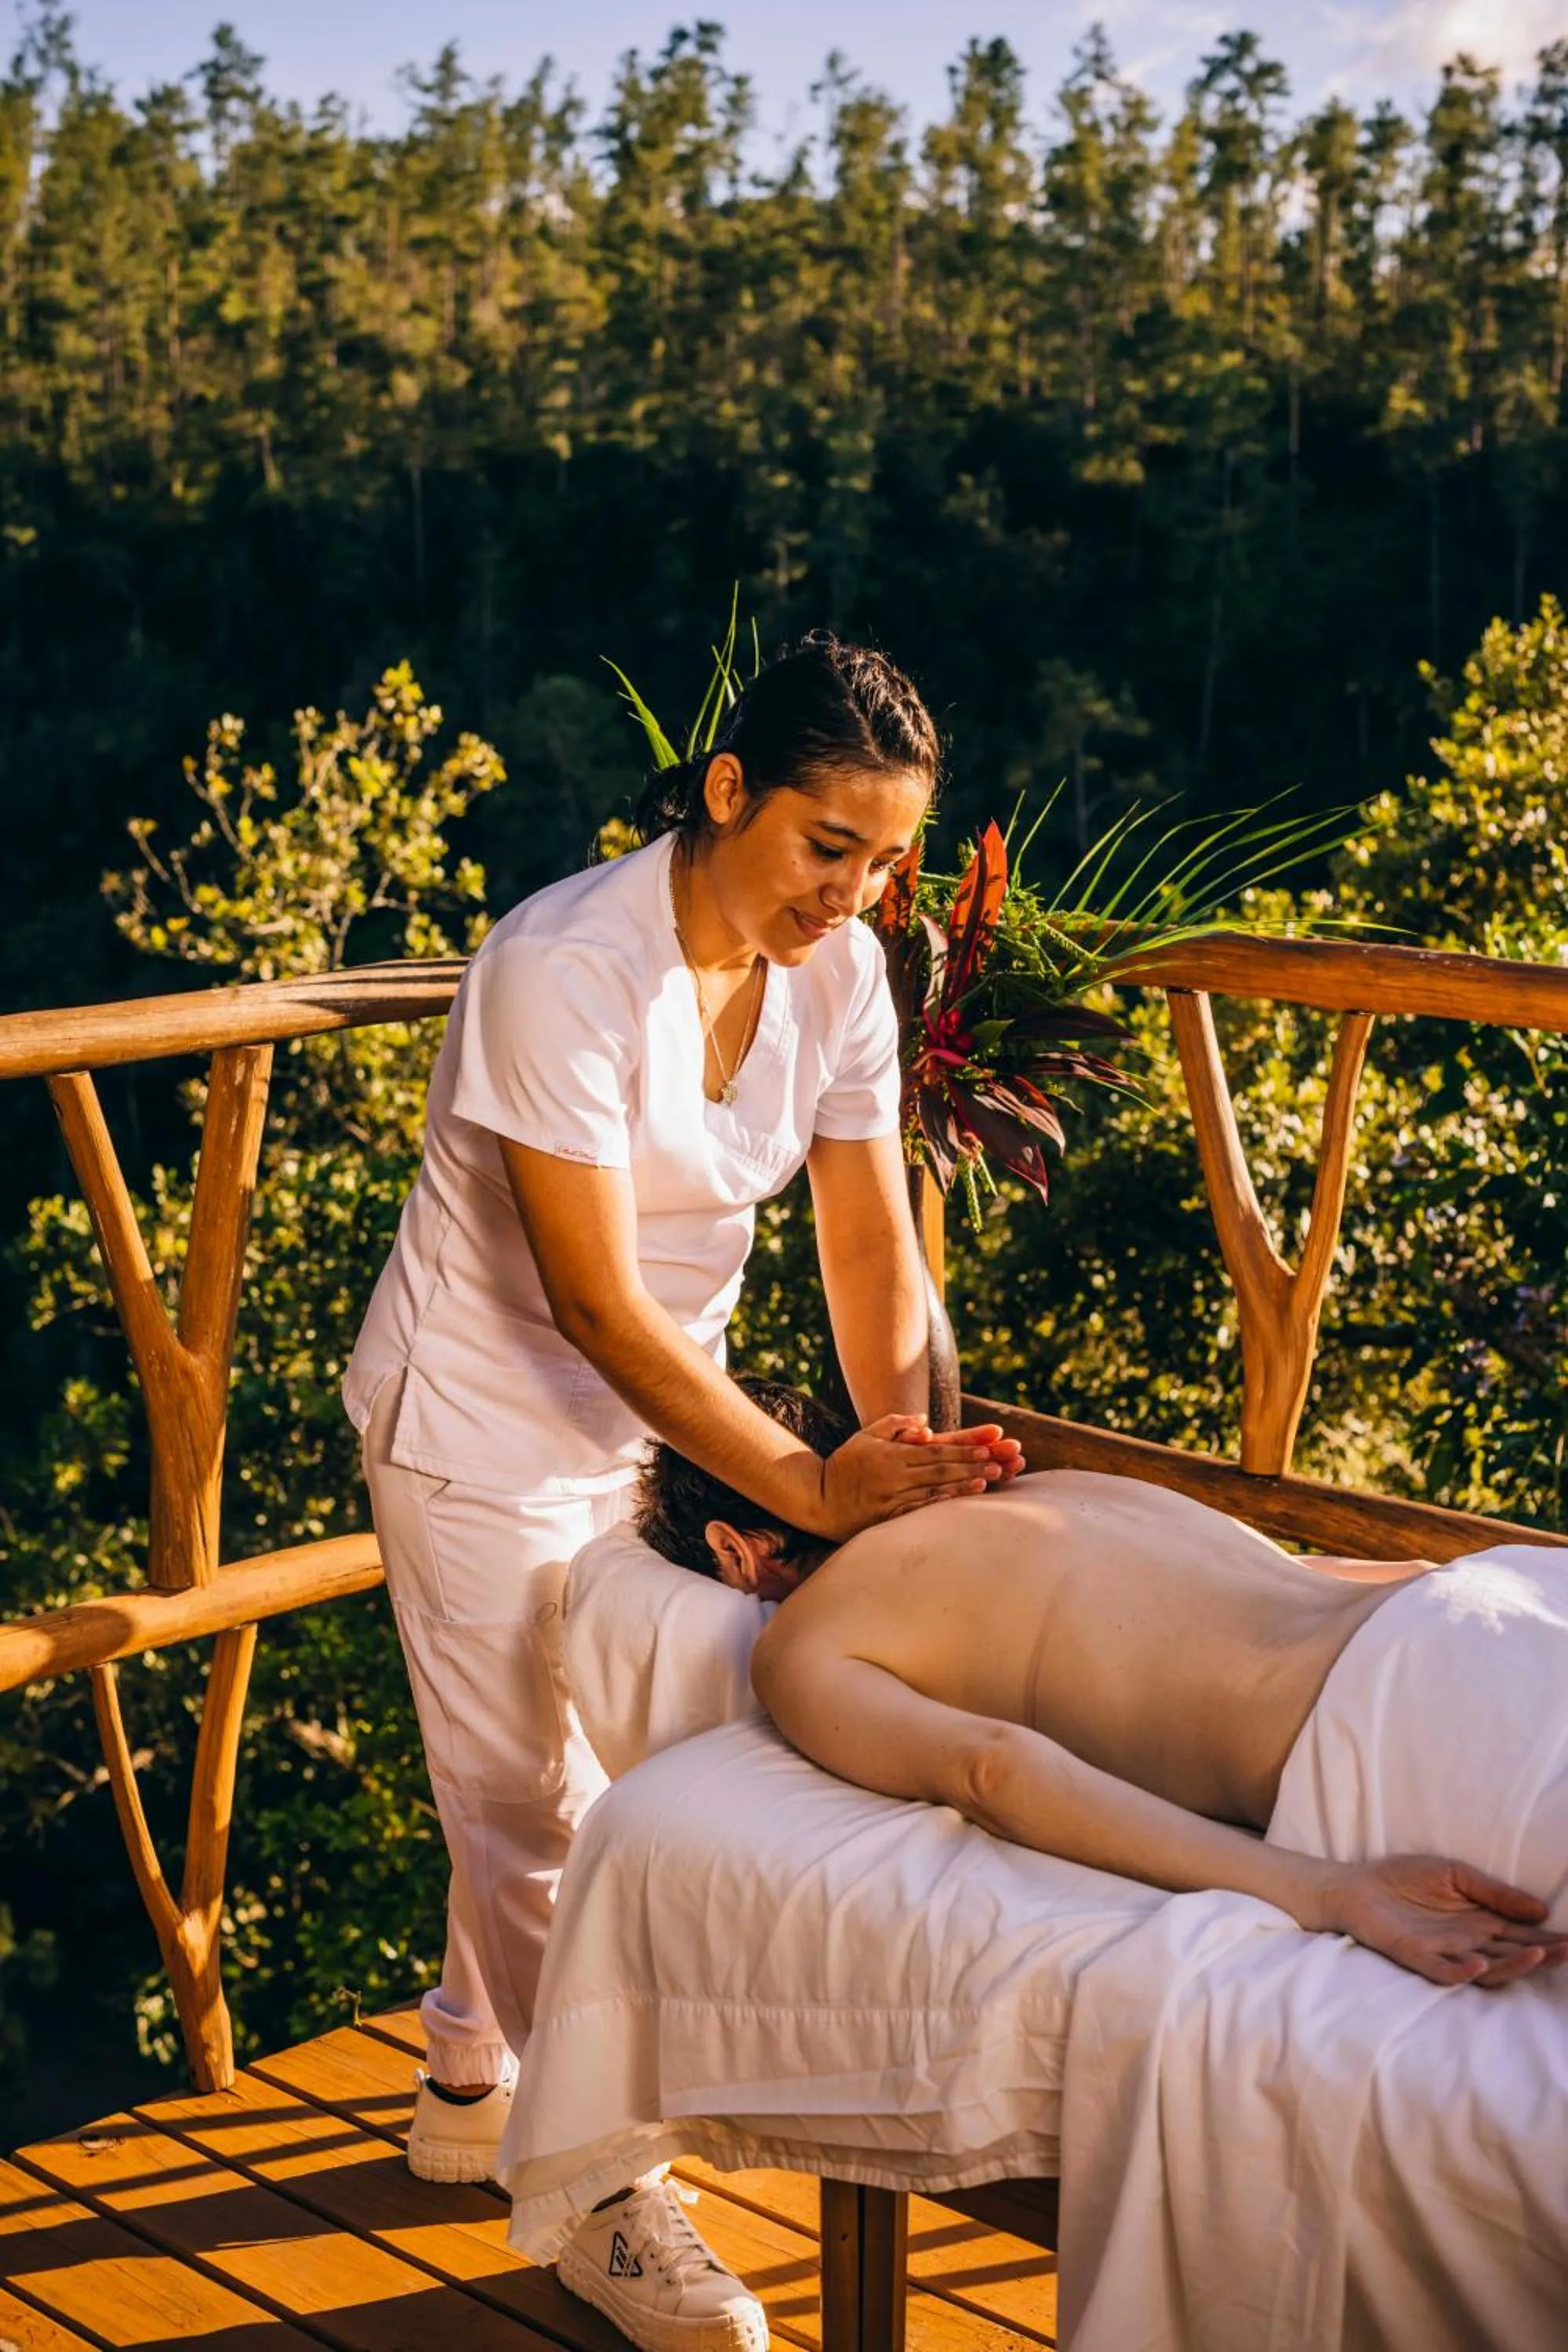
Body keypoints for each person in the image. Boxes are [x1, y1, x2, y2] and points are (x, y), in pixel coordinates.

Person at [343, 635, 1021, 2348]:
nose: (852, 893)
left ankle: (462, 2072)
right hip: (482, 1419)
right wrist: (809, 1481)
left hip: (661, 1424)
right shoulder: (564, 962)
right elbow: (588, 1301)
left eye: (882, 860)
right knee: (531, 1802)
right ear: (725, 793)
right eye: (822, 846)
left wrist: (911, 1459)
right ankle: (601, 2190)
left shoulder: (848, 973)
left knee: (577, 1751)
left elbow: (866, 1238)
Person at [635, 1382, 1568, 1990]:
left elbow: (991, 1772)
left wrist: (1324, 1892)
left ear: (732, 1549)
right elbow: (1313, 1568)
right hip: (1488, 1601)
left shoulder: (803, 1643)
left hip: (1391, 1728)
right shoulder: (1053, 1489)